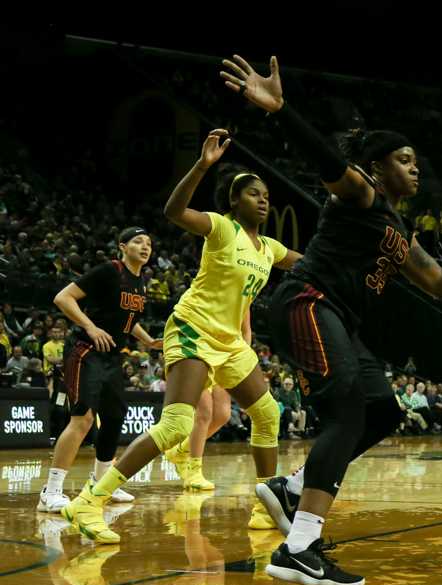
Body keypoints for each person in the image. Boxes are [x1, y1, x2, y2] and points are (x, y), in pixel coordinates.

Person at [221, 54, 442, 585]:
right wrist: (281, 111)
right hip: (309, 301)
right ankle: (299, 548)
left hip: (340, 318)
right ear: (379, 166)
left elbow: (440, 283)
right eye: (405, 160)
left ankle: (291, 490)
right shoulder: (362, 191)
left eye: (415, 162)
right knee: (346, 411)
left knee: (383, 410)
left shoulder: (396, 228)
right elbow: (323, 160)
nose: (415, 168)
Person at [61, 129, 299, 544]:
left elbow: (308, 264)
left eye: (265, 194)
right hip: (192, 328)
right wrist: (202, 166)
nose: (263, 199)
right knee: (176, 425)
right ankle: (89, 501)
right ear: (233, 201)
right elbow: (174, 211)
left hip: (228, 343)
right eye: (253, 194)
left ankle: (267, 505)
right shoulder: (222, 228)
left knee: (268, 414)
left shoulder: (270, 249)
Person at [38, 227, 160, 515]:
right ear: (122, 246)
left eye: (149, 243)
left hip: (112, 357)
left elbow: (129, 321)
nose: (145, 247)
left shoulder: (141, 282)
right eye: (138, 241)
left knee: (115, 417)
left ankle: (102, 484)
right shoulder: (109, 271)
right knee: (82, 418)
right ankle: (50, 492)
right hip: (85, 350)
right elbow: (63, 298)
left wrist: (149, 341)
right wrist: (90, 327)